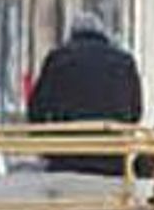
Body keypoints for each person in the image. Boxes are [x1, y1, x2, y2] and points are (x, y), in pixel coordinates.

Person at [27, 12, 143, 175]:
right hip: (112, 157)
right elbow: (136, 111)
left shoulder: (58, 59)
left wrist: (45, 144)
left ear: (72, 35)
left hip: (66, 157)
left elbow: (37, 108)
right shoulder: (125, 61)